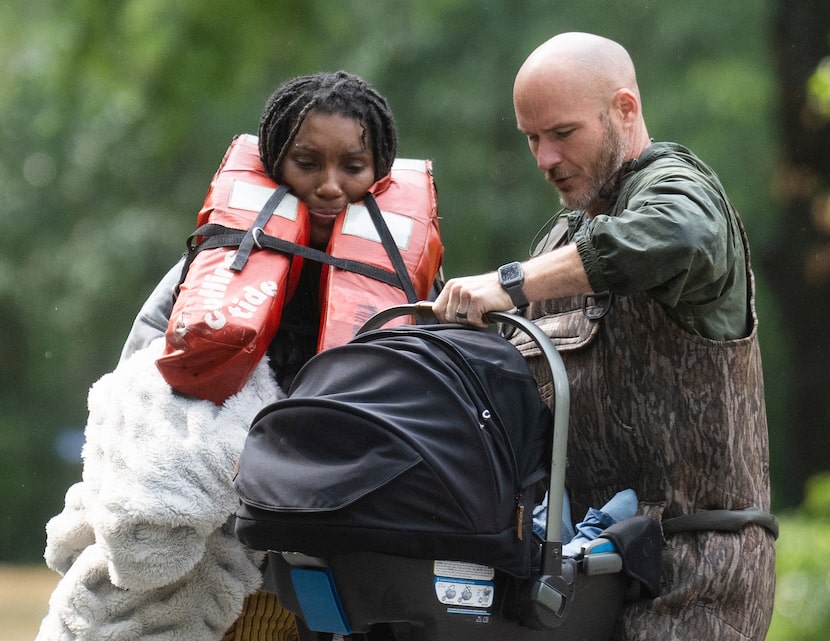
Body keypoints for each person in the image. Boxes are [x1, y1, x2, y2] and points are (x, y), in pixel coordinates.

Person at [38, 71, 442, 641]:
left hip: (344, 538)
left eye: (352, 167)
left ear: (379, 171)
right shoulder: (211, 267)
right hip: (229, 533)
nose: (330, 186)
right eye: (307, 163)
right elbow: (140, 385)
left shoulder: (407, 282)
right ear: (275, 165)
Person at [433, 32, 776, 641]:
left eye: (562, 133)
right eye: (532, 139)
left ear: (624, 109)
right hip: (576, 586)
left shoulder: (680, 190)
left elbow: (677, 235)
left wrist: (508, 284)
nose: (544, 158)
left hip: (694, 582)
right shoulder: (560, 240)